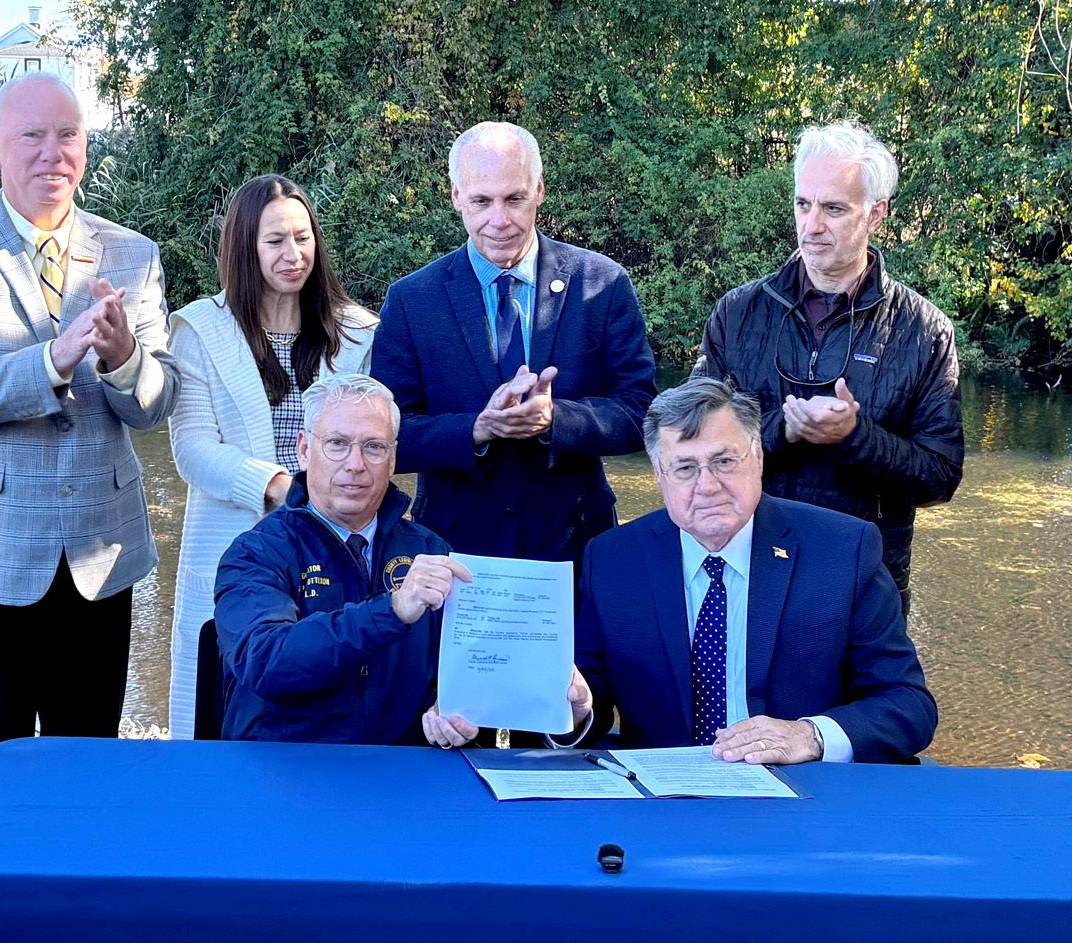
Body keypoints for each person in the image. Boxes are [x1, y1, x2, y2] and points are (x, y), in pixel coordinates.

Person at [0, 73, 180, 784]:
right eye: (32, 135)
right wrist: (53, 360)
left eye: (68, 135)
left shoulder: (134, 253)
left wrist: (124, 359)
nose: (52, 152)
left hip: (98, 556)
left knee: (84, 777)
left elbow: (154, 408)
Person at [569, 376, 937, 764]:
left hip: (798, 785)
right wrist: (574, 712)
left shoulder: (842, 550)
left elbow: (908, 704)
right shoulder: (612, 559)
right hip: (663, 791)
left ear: (758, 456)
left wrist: (811, 736)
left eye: (724, 461)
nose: (707, 486)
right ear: (659, 475)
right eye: (685, 468)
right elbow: (590, 703)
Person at [694, 120, 963, 616]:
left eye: (833, 209)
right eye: (803, 204)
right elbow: (693, 443)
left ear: (876, 214)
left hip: (866, 588)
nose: (811, 226)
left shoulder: (924, 330)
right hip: (749, 573)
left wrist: (855, 436)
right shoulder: (737, 313)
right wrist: (782, 431)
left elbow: (940, 478)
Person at [371, 121, 656, 568]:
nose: (500, 220)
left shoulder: (601, 284)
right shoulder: (412, 300)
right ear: (456, 197)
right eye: (482, 201)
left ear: (539, 190)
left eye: (515, 199)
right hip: (452, 549)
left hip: (576, 546)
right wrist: (477, 428)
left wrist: (556, 420)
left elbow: (641, 412)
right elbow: (387, 436)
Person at [166, 173, 377, 738]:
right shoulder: (199, 329)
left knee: (330, 702)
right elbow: (192, 449)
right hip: (230, 543)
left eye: (303, 238)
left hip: (329, 547)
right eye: (275, 241)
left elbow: (372, 440)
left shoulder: (358, 334)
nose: (294, 254)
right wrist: (279, 486)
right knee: (222, 713)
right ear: (244, 248)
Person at [214, 374, 467, 744]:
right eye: (337, 443)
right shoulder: (257, 552)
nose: (355, 464)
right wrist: (392, 610)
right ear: (304, 449)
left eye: (374, 447)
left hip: (399, 768)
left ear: (393, 459)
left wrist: (453, 708)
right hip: (285, 765)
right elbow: (264, 660)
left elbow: (466, 669)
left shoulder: (430, 551)